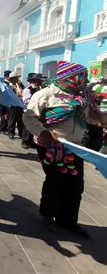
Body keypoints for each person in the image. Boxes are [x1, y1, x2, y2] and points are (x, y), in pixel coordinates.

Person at [23, 61, 95, 237]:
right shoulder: (45, 94)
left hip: (75, 147)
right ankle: (48, 215)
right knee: (55, 180)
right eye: (83, 77)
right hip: (52, 146)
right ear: (70, 78)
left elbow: (89, 117)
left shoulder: (81, 97)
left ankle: (68, 220)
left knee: (76, 185)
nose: (86, 81)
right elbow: (29, 117)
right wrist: (43, 132)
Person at [21, 73, 43, 149]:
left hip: (37, 111)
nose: (38, 83)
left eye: (39, 81)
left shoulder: (40, 89)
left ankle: (32, 142)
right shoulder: (27, 90)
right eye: (36, 81)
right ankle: (25, 141)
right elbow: (25, 101)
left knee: (35, 126)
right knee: (27, 127)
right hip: (29, 110)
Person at [7, 72, 25, 139]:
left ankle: (21, 133)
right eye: (14, 78)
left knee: (20, 119)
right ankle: (11, 132)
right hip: (13, 104)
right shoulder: (10, 86)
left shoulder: (21, 85)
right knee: (12, 119)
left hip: (20, 104)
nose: (16, 79)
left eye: (16, 78)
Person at [0, 70, 11, 134]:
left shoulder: (6, 82)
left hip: (6, 100)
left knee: (6, 115)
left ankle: (4, 128)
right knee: (4, 115)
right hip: (3, 100)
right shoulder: (4, 82)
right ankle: (1, 128)